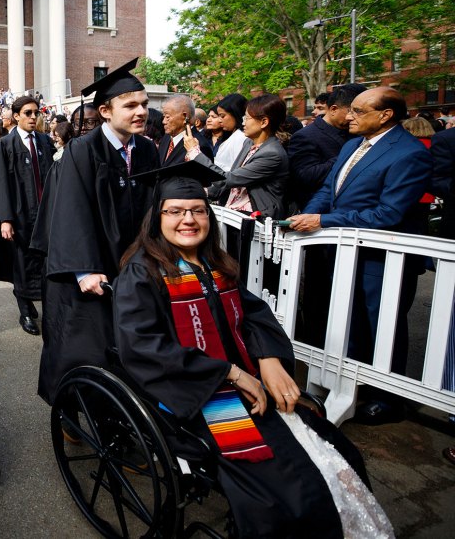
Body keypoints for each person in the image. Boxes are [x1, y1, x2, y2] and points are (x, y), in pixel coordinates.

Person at [112, 161, 392, 539]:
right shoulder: (142, 273)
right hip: (192, 394)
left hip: (248, 381)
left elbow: (254, 314)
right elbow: (144, 346)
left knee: (338, 453)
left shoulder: (217, 264)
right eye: (175, 211)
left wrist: (270, 359)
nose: (188, 220)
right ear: (156, 218)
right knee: (284, 487)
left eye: (197, 210)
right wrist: (230, 372)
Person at [290, 87, 431, 425]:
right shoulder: (352, 145)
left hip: (383, 261)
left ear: (385, 115)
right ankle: (353, 384)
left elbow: (388, 214)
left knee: (383, 328)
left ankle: (388, 399)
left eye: (357, 110)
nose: (348, 116)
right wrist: (305, 219)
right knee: (351, 323)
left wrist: (323, 221)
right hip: (344, 253)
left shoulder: (410, 153)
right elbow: (329, 190)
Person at [33, 58, 158, 404]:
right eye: (130, 105)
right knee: (82, 342)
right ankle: (72, 409)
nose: (141, 112)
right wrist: (84, 269)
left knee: (130, 339)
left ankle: (123, 412)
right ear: (105, 111)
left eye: (144, 105)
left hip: (130, 265)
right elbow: (69, 211)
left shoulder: (147, 150)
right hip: (86, 267)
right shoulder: (81, 151)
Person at [0, 95, 55, 335]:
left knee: (45, 261)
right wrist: (5, 219)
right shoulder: (5, 145)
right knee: (22, 264)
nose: (33, 117)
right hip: (19, 215)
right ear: (16, 116)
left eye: (36, 112)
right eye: (28, 113)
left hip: (45, 214)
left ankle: (47, 309)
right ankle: (25, 311)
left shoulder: (45, 142)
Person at [190, 94, 290, 219]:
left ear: (264, 122)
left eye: (247, 118)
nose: (243, 122)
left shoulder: (272, 154)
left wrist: (195, 153)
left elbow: (228, 178)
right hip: (231, 211)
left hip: (256, 219)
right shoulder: (249, 142)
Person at [286, 84, 364, 211]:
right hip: (318, 211)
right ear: (333, 109)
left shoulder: (357, 133)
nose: (353, 117)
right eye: (351, 111)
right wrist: (348, 156)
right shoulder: (305, 136)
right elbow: (305, 177)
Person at [158, 94, 213, 166]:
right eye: (164, 117)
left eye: (168, 117)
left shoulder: (199, 146)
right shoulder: (166, 138)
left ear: (185, 117)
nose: (164, 121)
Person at [213, 93, 248, 172]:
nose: (219, 120)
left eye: (222, 116)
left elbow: (237, 171)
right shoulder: (232, 135)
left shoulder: (241, 137)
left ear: (236, 114)